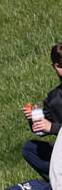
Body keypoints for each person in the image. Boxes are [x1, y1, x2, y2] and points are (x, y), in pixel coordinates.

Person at [23, 44, 62, 179]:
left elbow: (51, 127)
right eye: (60, 66)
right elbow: (42, 131)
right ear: (53, 66)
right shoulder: (53, 98)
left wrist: (53, 127)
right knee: (29, 148)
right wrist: (34, 118)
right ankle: (55, 184)